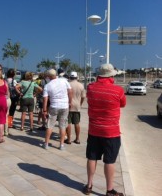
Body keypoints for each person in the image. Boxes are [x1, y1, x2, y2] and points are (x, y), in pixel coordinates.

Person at [82, 63, 126, 196]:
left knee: (92, 157)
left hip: (94, 130)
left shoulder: (90, 88)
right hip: (111, 132)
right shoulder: (118, 90)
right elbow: (123, 104)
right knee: (110, 161)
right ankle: (109, 190)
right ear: (111, 75)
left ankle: (89, 185)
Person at [42, 69, 72, 150]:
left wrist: (44, 110)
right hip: (64, 106)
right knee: (62, 126)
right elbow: (70, 92)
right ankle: (61, 145)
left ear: (48, 76)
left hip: (54, 106)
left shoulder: (47, 85)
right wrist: (70, 102)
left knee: (50, 125)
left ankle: (46, 144)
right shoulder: (64, 81)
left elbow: (45, 99)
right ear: (56, 74)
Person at [65, 71, 86, 144]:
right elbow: (83, 97)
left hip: (68, 105)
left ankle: (69, 139)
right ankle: (77, 139)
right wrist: (80, 103)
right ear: (77, 77)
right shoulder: (81, 85)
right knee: (77, 123)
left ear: (70, 77)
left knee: (68, 123)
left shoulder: (68, 84)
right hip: (77, 106)